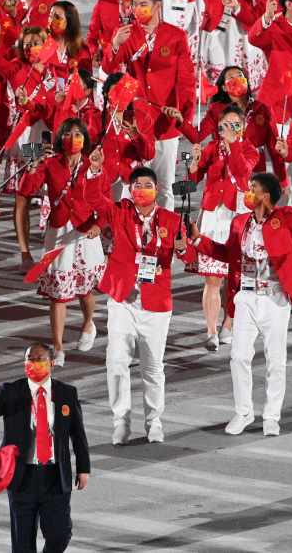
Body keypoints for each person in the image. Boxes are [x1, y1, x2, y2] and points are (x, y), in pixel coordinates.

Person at [190, 169, 292, 436]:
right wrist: (199, 240)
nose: (247, 192)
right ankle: (244, 411)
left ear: (265, 195)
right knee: (239, 357)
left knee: (276, 360)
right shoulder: (240, 222)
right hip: (245, 296)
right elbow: (227, 252)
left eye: (252, 187)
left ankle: (271, 414)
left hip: (275, 298)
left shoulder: (284, 217)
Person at [84, 156, 196, 444]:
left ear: (157, 190)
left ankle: (154, 421)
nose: (142, 190)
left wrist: (184, 247)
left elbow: (189, 257)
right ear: (130, 190)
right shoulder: (120, 211)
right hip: (123, 300)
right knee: (116, 361)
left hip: (156, 304)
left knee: (152, 367)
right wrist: (95, 170)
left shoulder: (172, 220)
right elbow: (94, 199)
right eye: (137, 186)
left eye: (148, 185)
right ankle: (120, 420)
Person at [0, 342, 90, 553]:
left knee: (60, 534)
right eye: (29, 359)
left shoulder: (67, 393)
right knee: (22, 542)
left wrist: (83, 469)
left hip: (55, 477)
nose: (33, 364)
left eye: (38, 360)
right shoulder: (12, 390)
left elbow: (78, 433)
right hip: (23, 477)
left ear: (51, 364)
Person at [100, 0, 195, 209]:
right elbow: (108, 69)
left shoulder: (176, 36)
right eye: (135, 4)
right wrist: (115, 44)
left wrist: (185, 118)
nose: (137, 9)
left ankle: (164, 236)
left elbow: (186, 81)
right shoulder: (125, 33)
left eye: (144, 4)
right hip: (133, 121)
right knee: (126, 183)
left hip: (165, 122)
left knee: (163, 184)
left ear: (157, 5)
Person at [19, 118, 104, 365]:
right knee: (59, 293)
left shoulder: (93, 165)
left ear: (85, 139)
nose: (73, 138)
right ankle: (58, 347)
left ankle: (88, 323)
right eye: (68, 134)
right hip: (58, 231)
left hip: (86, 231)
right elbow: (27, 189)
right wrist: (33, 165)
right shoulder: (50, 164)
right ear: (60, 139)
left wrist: (99, 226)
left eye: (78, 134)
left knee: (84, 290)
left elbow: (104, 201)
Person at [187, 106, 258, 351]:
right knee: (212, 278)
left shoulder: (250, 149)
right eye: (224, 125)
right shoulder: (209, 148)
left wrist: (233, 144)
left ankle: (229, 323)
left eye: (234, 125)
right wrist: (195, 163)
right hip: (212, 217)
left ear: (243, 127)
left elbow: (242, 173)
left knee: (234, 276)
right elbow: (192, 181)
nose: (228, 129)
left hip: (236, 218)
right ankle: (211, 331)